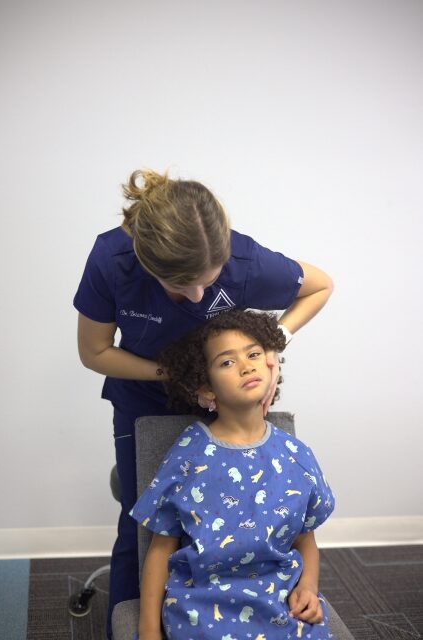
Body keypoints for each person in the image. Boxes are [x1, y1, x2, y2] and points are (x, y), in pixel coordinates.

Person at [73, 169, 333, 638]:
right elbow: (94, 352)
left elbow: (320, 286)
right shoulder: (112, 260)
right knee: (144, 530)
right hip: (145, 398)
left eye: (207, 284)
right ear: (144, 262)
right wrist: (178, 375)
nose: (196, 298)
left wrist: (275, 342)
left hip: (221, 396)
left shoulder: (246, 260)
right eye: (180, 287)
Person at [131, 309, 335, 640]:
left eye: (254, 354)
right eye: (227, 362)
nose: (246, 365)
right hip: (201, 607)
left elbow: (305, 539)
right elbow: (160, 548)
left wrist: (309, 587)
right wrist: (148, 631)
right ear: (207, 388)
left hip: (281, 601)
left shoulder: (297, 455)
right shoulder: (189, 455)